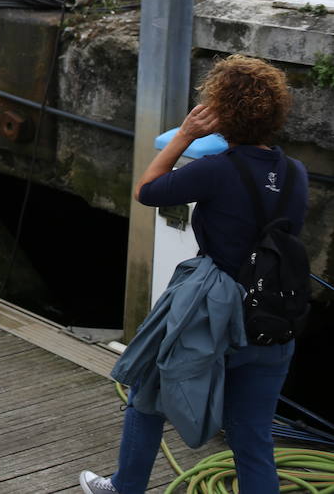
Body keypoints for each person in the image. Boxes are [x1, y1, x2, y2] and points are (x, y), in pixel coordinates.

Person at [78, 55, 308, 494]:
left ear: (220, 111)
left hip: (213, 313)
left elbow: (147, 190)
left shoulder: (216, 169)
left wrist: (185, 135)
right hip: (273, 314)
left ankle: (125, 487)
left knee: (148, 396)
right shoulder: (296, 173)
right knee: (252, 435)